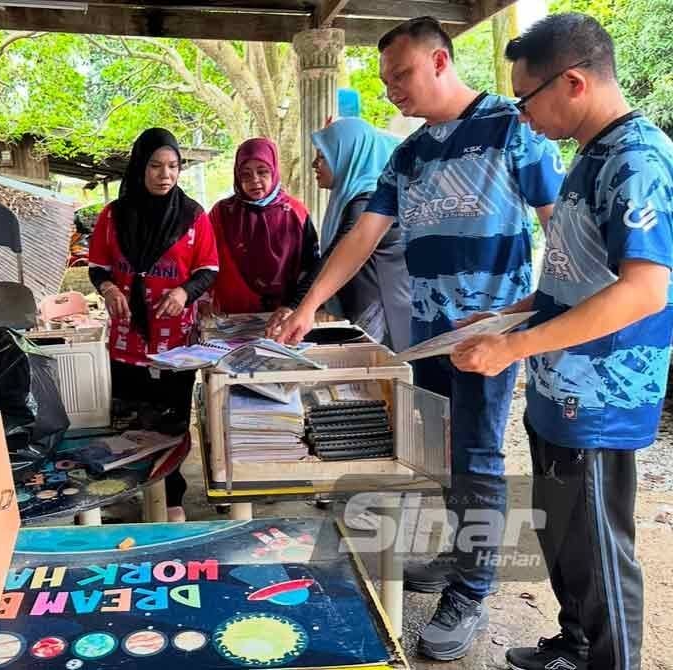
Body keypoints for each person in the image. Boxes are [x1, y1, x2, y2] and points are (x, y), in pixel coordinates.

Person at [275, 17, 565, 660]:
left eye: (400, 75)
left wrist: (525, 316)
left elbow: (562, 231)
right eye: (384, 80)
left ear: (440, 62)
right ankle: (455, 554)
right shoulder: (408, 153)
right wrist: (309, 305)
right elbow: (361, 236)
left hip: (489, 335)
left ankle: (474, 585)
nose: (391, 91)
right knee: (433, 450)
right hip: (427, 332)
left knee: (478, 455)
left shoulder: (512, 128)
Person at [451, 14, 672, 670]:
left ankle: (608, 659)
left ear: (572, 81)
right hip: (557, 388)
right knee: (566, 538)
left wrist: (514, 349)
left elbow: (644, 290)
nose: (522, 116)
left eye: (525, 99)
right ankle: (575, 644)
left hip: (600, 398)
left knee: (600, 550)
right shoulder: (588, 155)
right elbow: (575, 275)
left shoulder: (639, 158)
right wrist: (509, 318)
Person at [88, 128, 219, 523]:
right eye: (156, 166)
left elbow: (208, 269)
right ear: (140, 167)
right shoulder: (113, 215)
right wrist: (109, 287)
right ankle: (131, 489)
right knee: (129, 417)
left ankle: (172, 494)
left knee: (171, 418)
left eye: (174, 166)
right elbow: (97, 266)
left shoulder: (194, 215)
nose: (166, 175)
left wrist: (184, 293)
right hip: (127, 336)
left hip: (174, 340)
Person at [311, 118, 411, 351]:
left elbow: (333, 256)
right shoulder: (349, 198)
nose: (315, 164)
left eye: (323, 155)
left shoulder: (366, 202)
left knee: (385, 382)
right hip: (364, 311)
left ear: (347, 156)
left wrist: (297, 307)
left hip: (383, 318)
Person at [207, 138, 319, 332]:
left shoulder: (295, 213)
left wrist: (294, 305)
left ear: (274, 171)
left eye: (262, 171)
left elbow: (312, 267)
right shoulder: (222, 213)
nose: (255, 181)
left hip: (284, 318)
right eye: (246, 174)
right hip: (232, 319)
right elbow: (205, 260)